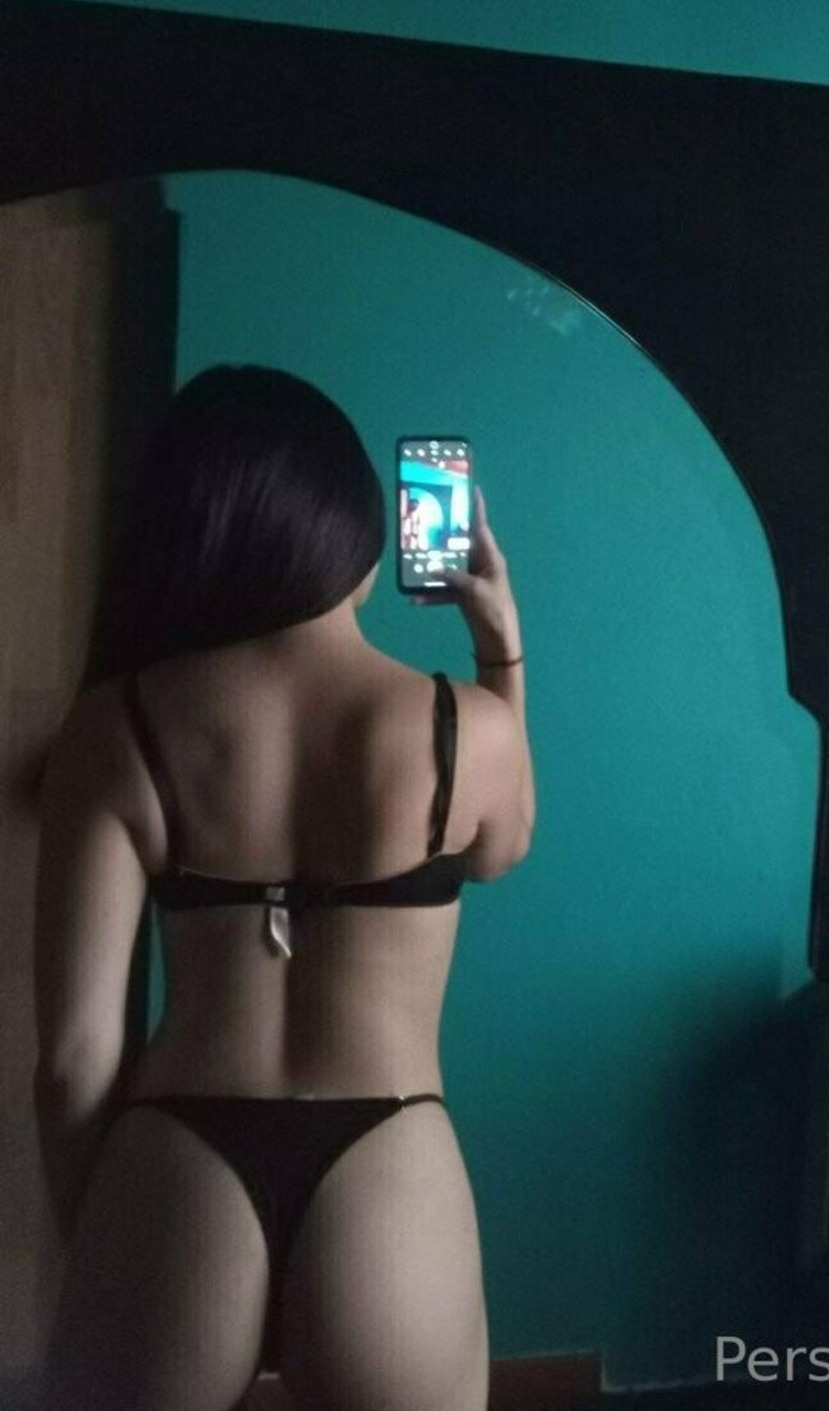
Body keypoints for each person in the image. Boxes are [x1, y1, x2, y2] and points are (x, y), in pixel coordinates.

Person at [32, 364, 534, 1411]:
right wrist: (500, 653)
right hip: (390, 1162)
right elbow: (501, 847)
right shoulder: (464, 728)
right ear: (351, 535)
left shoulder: (117, 727)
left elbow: (75, 1061)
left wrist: (105, 1236)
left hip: (179, 1158)